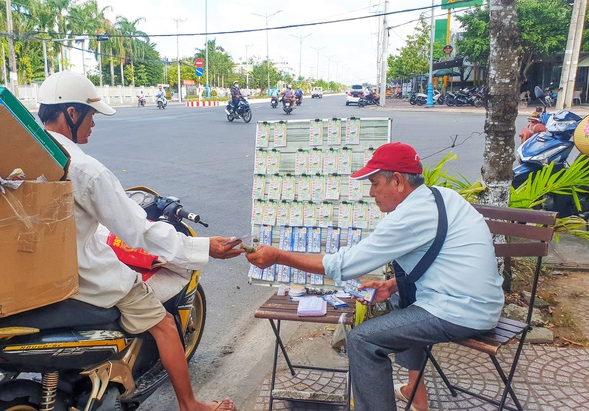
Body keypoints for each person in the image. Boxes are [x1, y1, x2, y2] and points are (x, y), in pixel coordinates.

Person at [37, 71, 242, 411]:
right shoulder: (84, 169)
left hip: (36, 275)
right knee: (163, 324)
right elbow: (139, 231)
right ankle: (190, 404)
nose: (94, 123)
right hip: (82, 277)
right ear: (71, 114)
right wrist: (205, 247)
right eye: (91, 115)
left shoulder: (22, 154)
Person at [246, 142, 504, 411]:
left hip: (462, 312)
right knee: (401, 300)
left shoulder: (407, 218)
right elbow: (449, 259)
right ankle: (416, 393)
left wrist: (278, 256)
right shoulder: (442, 196)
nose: (371, 193)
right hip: (481, 301)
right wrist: (393, 285)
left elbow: (344, 265)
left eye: (374, 183)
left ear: (397, 181)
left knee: (363, 340)